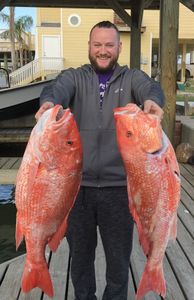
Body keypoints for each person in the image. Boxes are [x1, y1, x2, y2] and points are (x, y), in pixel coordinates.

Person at [36, 21, 164, 300]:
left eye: (109, 45)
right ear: (89, 47)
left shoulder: (131, 78)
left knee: (118, 264)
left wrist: (154, 100)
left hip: (119, 190)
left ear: (119, 47)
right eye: (98, 45)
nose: (103, 50)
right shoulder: (74, 77)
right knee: (80, 262)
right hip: (75, 190)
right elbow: (55, 90)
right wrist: (48, 103)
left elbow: (151, 88)